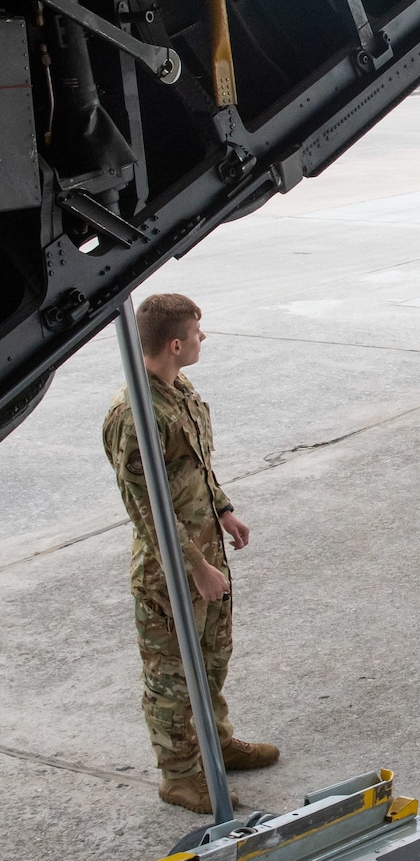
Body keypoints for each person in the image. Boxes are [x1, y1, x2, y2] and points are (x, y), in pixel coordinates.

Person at [103, 294, 278, 815]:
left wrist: (223, 511)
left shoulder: (179, 389)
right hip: (170, 571)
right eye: (198, 334)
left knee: (212, 657)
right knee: (172, 675)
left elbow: (196, 466)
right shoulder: (133, 414)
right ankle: (179, 776)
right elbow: (147, 510)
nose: (205, 340)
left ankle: (215, 742)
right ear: (175, 344)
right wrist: (195, 568)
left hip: (207, 551)